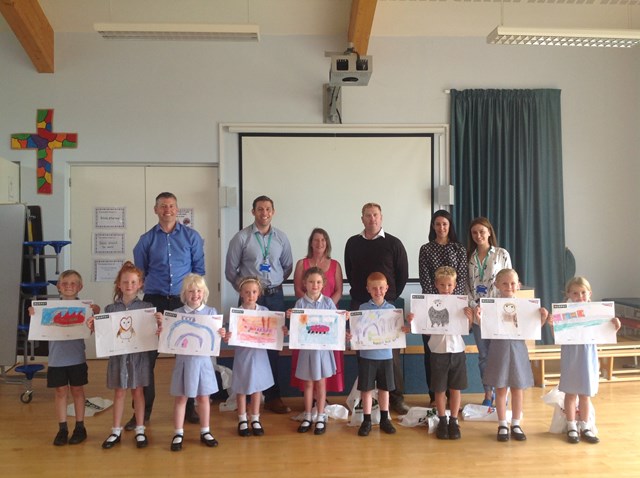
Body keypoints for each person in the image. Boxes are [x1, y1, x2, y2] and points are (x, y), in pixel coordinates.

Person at [132, 192, 205, 427]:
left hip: (184, 303)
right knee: (147, 358)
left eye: (171, 206)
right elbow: (139, 274)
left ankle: (190, 408)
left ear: (177, 209)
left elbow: (198, 271)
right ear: (156, 210)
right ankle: (143, 411)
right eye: (163, 206)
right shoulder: (145, 240)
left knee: (188, 355)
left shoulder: (192, 237)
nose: (167, 210)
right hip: (154, 302)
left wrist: (194, 299)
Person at [225, 195, 293, 414]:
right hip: (249, 299)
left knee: (273, 347)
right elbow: (230, 270)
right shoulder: (241, 238)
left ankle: (273, 396)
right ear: (253, 212)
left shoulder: (281, 238)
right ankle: (244, 397)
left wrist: (270, 284)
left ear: (273, 212)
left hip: (274, 296)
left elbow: (287, 266)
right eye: (260, 209)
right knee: (246, 346)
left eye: (268, 209)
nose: (264, 213)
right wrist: (248, 292)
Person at [469, 268, 549, 442]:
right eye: (504, 283)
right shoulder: (490, 305)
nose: (509, 286)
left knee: (518, 389)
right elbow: (487, 329)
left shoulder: (526, 306)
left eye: (513, 283)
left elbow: (532, 330)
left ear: (518, 285)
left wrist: (542, 318)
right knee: (500, 388)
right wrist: (480, 317)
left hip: (518, 350)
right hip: (498, 350)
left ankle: (516, 423)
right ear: (497, 285)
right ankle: (502, 424)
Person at [344, 202, 409, 414]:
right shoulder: (352, 243)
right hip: (361, 307)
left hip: (386, 307)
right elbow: (350, 270)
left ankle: (396, 398)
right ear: (361, 218)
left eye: (375, 215)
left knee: (392, 356)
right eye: (367, 215)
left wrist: (386, 299)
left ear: (381, 218)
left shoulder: (394, 243)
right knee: (363, 354)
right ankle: (366, 398)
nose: (372, 219)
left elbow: (402, 276)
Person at [89, 261, 156, 450]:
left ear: (140, 284)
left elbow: (150, 333)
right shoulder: (111, 309)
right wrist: (95, 326)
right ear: (119, 284)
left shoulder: (147, 306)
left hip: (138, 359)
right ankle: (115, 430)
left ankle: (140, 429)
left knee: (138, 392)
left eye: (133, 282)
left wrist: (158, 324)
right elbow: (105, 333)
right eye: (125, 282)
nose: (129, 286)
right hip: (118, 359)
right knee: (119, 392)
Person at [29, 270, 100, 446]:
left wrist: (96, 314)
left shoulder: (87, 308)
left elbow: (95, 330)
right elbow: (38, 322)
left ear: (80, 287)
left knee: (77, 391)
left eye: (73, 283)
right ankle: (62, 429)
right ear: (59, 286)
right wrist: (34, 313)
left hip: (76, 358)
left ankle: (80, 427)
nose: (69, 286)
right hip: (56, 359)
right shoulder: (48, 308)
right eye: (65, 283)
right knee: (60, 392)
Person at [157, 274, 222, 452]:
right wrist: (162, 329)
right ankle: (178, 433)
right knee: (181, 398)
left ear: (204, 293)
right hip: (184, 363)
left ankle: (205, 431)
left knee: (203, 398)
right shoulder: (176, 313)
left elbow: (215, 336)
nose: (195, 295)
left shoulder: (211, 313)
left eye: (199, 291)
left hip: (203, 364)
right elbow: (168, 337)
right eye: (191, 291)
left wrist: (221, 332)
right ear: (185, 294)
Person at [557, 276, 621, 444]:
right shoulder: (565, 312)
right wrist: (552, 321)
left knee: (585, 394)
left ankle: (585, 426)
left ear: (589, 293)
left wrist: (614, 324)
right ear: (568, 294)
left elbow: (606, 330)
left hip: (588, 355)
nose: (580, 296)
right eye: (575, 293)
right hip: (571, 354)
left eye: (583, 293)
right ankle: (571, 426)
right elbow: (557, 328)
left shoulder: (597, 312)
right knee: (570, 393)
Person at [408, 266, 469, 440]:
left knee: (455, 388)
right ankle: (442, 419)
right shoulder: (428, 304)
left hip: (457, 349)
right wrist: (414, 322)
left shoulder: (460, 303)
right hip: (437, 350)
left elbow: (468, 328)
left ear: (455, 284)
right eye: (442, 285)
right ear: (436, 285)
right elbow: (426, 330)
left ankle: (454, 420)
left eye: (449, 285)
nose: (446, 289)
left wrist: (469, 317)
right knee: (439, 389)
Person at [418, 210, 467, 406]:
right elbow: (425, 279)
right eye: (437, 224)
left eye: (444, 224)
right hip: (431, 307)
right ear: (433, 226)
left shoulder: (459, 249)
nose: (441, 228)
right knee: (432, 352)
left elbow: (461, 279)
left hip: (455, 310)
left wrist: (452, 303)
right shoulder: (426, 249)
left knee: (453, 353)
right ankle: (435, 396)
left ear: (450, 226)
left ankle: (452, 396)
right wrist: (438, 301)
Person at [292, 228, 344, 394]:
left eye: (323, 240)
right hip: (306, 320)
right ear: (311, 243)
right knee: (309, 361)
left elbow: (338, 291)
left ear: (327, 242)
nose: (319, 243)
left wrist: (326, 310)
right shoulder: (302, 263)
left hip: (328, 321)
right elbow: (298, 289)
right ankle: (310, 400)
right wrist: (311, 310)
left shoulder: (335, 264)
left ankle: (322, 400)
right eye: (316, 240)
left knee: (326, 361)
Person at [466, 216, 512, 406]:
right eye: (475, 232)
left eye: (482, 232)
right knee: (483, 355)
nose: (478, 236)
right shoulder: (468, 256)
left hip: (499, 312)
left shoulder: (501, 254)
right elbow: (466, 286)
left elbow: (510, 281)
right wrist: (473, 306)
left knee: (501, 353)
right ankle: (488, 393)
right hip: (478, 313)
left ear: (489, 232)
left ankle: (503, 392)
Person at [223, 277, 276, 437]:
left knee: (257, 387)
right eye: (247, 292)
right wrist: (228, 336)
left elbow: (272, 331)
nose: (250, 295)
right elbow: (229, 336)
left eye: (253, 292)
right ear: (241, 293)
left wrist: (280, 331)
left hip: (259, 356)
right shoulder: (236, 313)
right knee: (241, 387)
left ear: (258, 293)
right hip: (243, 355)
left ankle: (255, 418)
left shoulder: (265, 312)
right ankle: (242, 419)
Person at [347, 272, 398, 437]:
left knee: (384, 389)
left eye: (381, 288)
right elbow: (357, 331)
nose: (378, 291)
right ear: (368, 289)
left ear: (387, 288)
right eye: (374, 288)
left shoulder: (392, 310)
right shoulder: (362, 309)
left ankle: (385, 419)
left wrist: (406, 327)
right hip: (367, 356)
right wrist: (350, 334)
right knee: (366, 390)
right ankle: (366, 420)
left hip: (386, 356)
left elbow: (398, 332)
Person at [290, 267, 338, 435]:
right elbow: (296, 329)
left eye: (318, 282)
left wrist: (343, 318)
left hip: (323, 351)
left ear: (323, 284)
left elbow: (335, 325)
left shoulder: (328, 303)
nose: (315, 285)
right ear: (305, 283)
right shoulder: (300, 304)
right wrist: (290, 320)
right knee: (308, 383)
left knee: (321, 382)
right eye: (311, 282)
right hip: (307, 351)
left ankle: (321, 415)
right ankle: (308, 415)